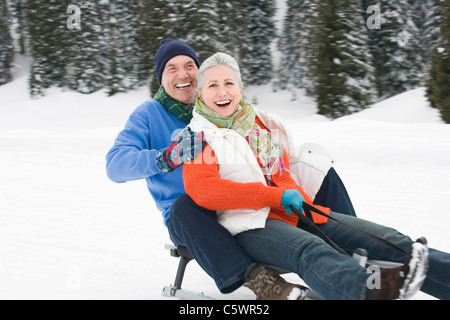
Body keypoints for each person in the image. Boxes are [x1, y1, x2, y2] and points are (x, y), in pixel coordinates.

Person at [182, 52, 450, 300]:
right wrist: (274, 195)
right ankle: (367, 292)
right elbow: (204, 189)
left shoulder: (259, 125)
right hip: (248, 224)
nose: (222, 92)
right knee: (310, 249)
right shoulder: (197, 137)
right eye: (213, 85)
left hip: (295, 214)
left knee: (386, 238)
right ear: (201, 94)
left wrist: (293, 194)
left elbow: (279, 171)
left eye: (228, 83)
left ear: (240, 88)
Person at [106, 38, 357, 297]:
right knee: (184, 205)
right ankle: (261, 282)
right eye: (172, 68)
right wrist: (166, 157)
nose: (182, 74)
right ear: (161, 78)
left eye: (189, 65)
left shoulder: (219, 101)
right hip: (196, 217)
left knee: (316, 168)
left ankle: (352, 252)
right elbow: (115, 165)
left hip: (240, 201)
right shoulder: (148, 114)